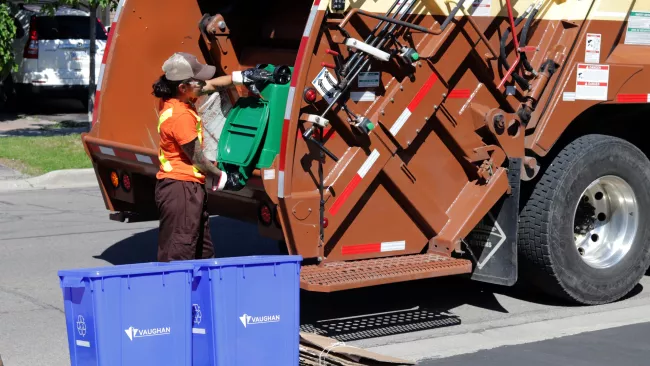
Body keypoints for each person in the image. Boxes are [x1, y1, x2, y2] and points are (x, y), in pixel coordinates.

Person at [152, 52, 271, 262]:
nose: (202, 84)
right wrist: (223, 176)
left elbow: (213, 85)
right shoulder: (179, 117)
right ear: (183, 87)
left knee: (202, 251)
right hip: (181, 188)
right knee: (180, 254)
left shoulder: (174, 95)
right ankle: (178, 293)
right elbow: (198, 159)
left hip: (187, 188)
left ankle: (202, 292)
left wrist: (242, 77)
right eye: (197, 81)